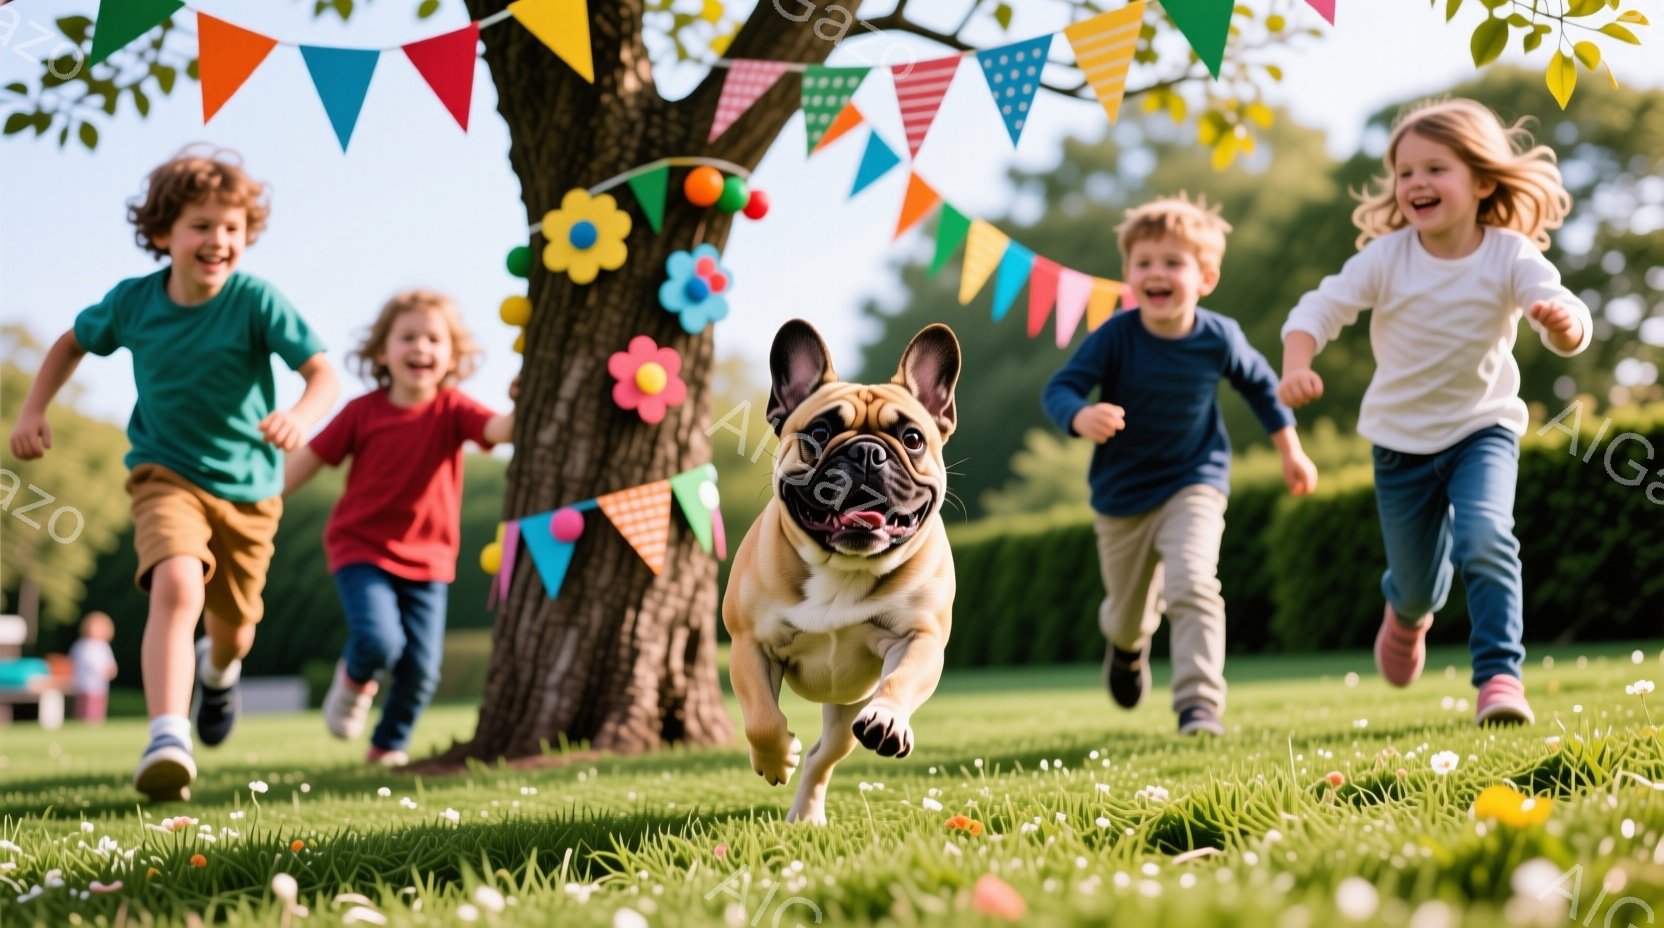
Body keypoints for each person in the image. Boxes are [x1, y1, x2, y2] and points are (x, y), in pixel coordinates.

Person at [9, 148, 338, 799]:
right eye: (201, 225)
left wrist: (302, 414)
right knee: (177, 586)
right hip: (165, 474)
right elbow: (72, 342)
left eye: (231, 228)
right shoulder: (134, 304)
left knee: (235, 628)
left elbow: (323, 372)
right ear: (162, 234)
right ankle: (166, 735)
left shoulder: (255, 301)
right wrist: (33, 406)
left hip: (250, 488)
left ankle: (219, 675)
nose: (218, 239)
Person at [1278, 99, 1591, 726]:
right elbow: (1317, 309)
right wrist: (1296, 363)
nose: (1416, 183)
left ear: (1482, 181)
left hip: (1484, 430)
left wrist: (1563, 327)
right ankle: (1408, 612)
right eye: (1404, 172)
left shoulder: (1509, 255)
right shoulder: (1388, 258)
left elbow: (1562, 310)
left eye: (1435, 169)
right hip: (1399, 444)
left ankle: (1500, 677)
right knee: (1418, 582)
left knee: (1485, 536)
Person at [1043, 194, 1318, 736]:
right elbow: (1061, 388)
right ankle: (1126, 649)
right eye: (1144, 263)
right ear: (1127, 275)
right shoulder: (1116, 336)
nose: (1157, 274)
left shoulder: (1219, 337)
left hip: (1195, 480)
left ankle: (1198, 705)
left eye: (1173, 263)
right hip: (1121, 495)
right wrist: (1081, 416)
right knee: (1125, 614)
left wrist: (1292, 450)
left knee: (1193, 582)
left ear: (1206, 277)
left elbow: (1264, 389)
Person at [285, 290, 514, 766]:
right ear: (382, 351)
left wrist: (521, 401)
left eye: (434, 339)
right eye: (407, 337)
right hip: (361, 549)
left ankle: (388, 747)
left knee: (422, 670)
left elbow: (497, 431)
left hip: (430, 560)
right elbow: (310, 459)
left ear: (453, 355)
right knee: (378, 640)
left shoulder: (452, 409)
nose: (421, 348)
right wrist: (261, 498)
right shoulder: (361, 411)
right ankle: (353, 681)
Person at [69, 611, 118, 724]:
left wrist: (111, 670)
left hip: (99, 684)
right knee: (84, 706)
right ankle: (84, 723)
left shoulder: (103, 646)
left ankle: (96, 723)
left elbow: (109, 662)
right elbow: (82, 662)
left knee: (97, 705)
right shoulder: (82, 645)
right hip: (83, 683)